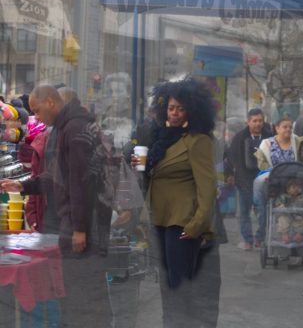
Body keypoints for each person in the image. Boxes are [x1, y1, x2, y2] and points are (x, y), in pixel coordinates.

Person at [0, 85, 112, 327]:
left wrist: (80, 228)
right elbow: (57, 177)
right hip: (80, 223)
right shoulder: (68, 127)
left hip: (83, 225)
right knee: (79, 294)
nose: (36, 118)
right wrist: (23, 186)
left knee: (85, 295)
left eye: (37, 111)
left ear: (51, 102)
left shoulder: (73, 129)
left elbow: (80, 182)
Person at [131, 79, 217, 328]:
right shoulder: (161, 140)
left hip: (182, 221)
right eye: (171, 108)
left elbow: (207, 187)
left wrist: (197, 224)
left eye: (180, 108)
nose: (175, 113)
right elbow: (145, 175)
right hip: (159, 218)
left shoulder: (198, 141)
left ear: (191, 110)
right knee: (167, 282)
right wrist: (137, 160)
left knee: (179, 283)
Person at [254, 116, 303, 245]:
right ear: (277, 128)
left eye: (290, 127)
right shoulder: (266, 144)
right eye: (285, 127)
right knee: (259, 185)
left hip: (295, 181)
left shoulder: (297, 141)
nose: (288, 129)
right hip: (274, 180)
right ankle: (264, 232)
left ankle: (301, 233)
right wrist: (270, 172)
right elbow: (261, 162)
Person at [226, 108, 272, 250]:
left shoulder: (269, 137)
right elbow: (229, 157)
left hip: (263, 179)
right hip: (244, 179)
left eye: (260, 121)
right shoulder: (240, 137)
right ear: (248, 122)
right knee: (244, 211)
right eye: (255, 121)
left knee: (263, 211)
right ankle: (248, 240)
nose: (258, 124)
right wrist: (230, 174)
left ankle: (260, 238)